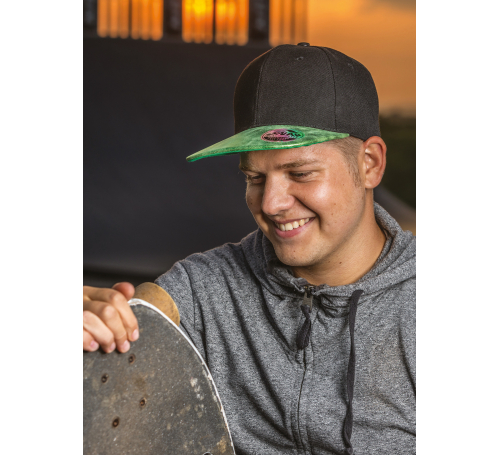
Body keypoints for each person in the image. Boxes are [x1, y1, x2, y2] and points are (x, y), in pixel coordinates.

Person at [83, 43, 416, 454]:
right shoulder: (204, 289)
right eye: (254, 178)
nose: (271, 203)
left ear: (370, 164)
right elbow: (137, 327)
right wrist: (92, 328)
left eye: (300, 173)